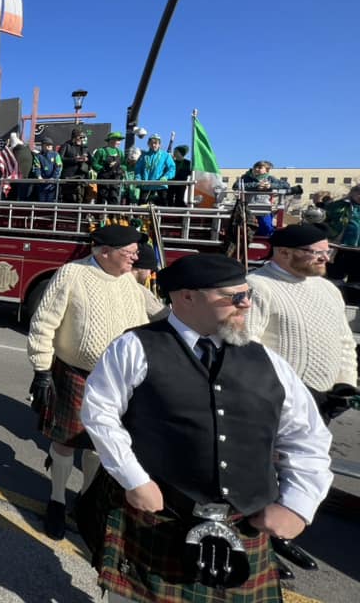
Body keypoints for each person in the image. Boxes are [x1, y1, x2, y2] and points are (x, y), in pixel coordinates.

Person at [79, 253, 333, 603]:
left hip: (242, 523)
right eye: (233, 297)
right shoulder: (135, 347)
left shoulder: (268, 361)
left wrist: (298, 503)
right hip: (158, 515)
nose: (246, 304)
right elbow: (100, 413)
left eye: (247, 294)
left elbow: (307, 437)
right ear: (187, 297)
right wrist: (134, 479)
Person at [27, 225, 165, 540]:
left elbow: (160, 315)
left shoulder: (129, 282)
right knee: (66, 441)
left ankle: (84, 501)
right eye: (130, 252)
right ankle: (57, 500)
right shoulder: (72, 274)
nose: (135, 257)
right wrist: (42, 370)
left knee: (101, 445)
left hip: (119, 380)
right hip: (75, 373)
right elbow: (43, 323)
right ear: (104, 252)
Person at [246, 223, 358, 576]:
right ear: (283, 253)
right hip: (275, 401)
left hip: (323, 397)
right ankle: (257, 546)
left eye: (328, 251)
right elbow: (246, 348)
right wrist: (274, 392)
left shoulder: (328, 289)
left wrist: (346, 383)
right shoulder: (257, 287)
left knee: (299, 472)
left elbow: (344, 340)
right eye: (317, 252)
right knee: (264, 473)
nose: (326, 258)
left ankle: (280, 536)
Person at [233, 160, 291, 236]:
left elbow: (286, 185)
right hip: (247, 208)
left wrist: (270, 186)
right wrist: (256, 185)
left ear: (267, 170)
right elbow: (235, 186)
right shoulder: (245, 177)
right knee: (245, 229)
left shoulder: (270, 179)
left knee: (266, 228)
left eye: (260, 167)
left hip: (264, 208)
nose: (256, 169)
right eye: (255, 167)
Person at [325, 183, 360, 284]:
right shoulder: (338, 205)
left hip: (358, 250)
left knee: (356, 281)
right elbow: (325, 220)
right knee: (335, 278)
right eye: (358, 192)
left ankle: (353, 293)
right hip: (339, 247)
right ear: (352, 193)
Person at [134, 134, 175, 205]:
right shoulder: (143, 156)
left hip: (160, 185)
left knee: (164, 205)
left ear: (159, 144)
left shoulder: (166, 155)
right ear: (148, 144)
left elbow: (172, 168)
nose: (153, 145)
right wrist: (138, 178)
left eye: (155, 143)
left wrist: (166, 177)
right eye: (151, 143)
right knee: (141, 205)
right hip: (146, 185)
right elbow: (138, 169)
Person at [91, 132, 126, 205]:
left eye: (119, 140)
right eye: (117, 140)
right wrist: (104, 168)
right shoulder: (101, 151)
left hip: (115, 179)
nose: (118, 142)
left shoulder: (120, 152)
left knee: (114, 198)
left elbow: (124, 165)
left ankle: (113, 212)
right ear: (110, 140)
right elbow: (94, 164)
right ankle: (100, 212)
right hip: (103, 178)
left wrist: (120, 169)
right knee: (102, 198)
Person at [58, 128, 90, 203]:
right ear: (75, 137)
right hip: (69, 176)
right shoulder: (66, 145)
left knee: (80, 198)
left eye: (83, 137)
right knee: (69, 198)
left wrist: (86, 159)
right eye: (80, 137)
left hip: (81, 176)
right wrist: (75, 160)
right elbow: (60, 159)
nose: (82, 139)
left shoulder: (85, 147)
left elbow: (91, 161)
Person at [32, 136, 62, 203]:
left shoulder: (56, 155)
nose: (49, 146)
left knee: (50, 201)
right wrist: (39, 176)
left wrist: (53, 177)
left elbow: (59, 167)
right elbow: (36, 167)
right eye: (47, 144)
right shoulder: (38, 156)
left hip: (52, 184)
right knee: (42, 201)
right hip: (42, 184)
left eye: (50, 145)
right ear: (43, 145)